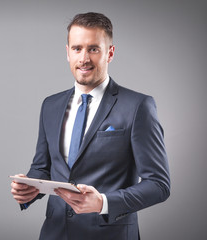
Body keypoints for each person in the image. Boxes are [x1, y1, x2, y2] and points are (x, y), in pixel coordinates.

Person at [10, 12, 170, 240]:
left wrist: (103, 202)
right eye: (77, 49)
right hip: (55, 233)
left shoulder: (138, 106)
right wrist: (29, 189)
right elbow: (43, 167)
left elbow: (159, 184)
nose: (84, 58)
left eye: (93, 49)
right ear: (67, 52)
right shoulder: (50, 105)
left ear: (110, 53)